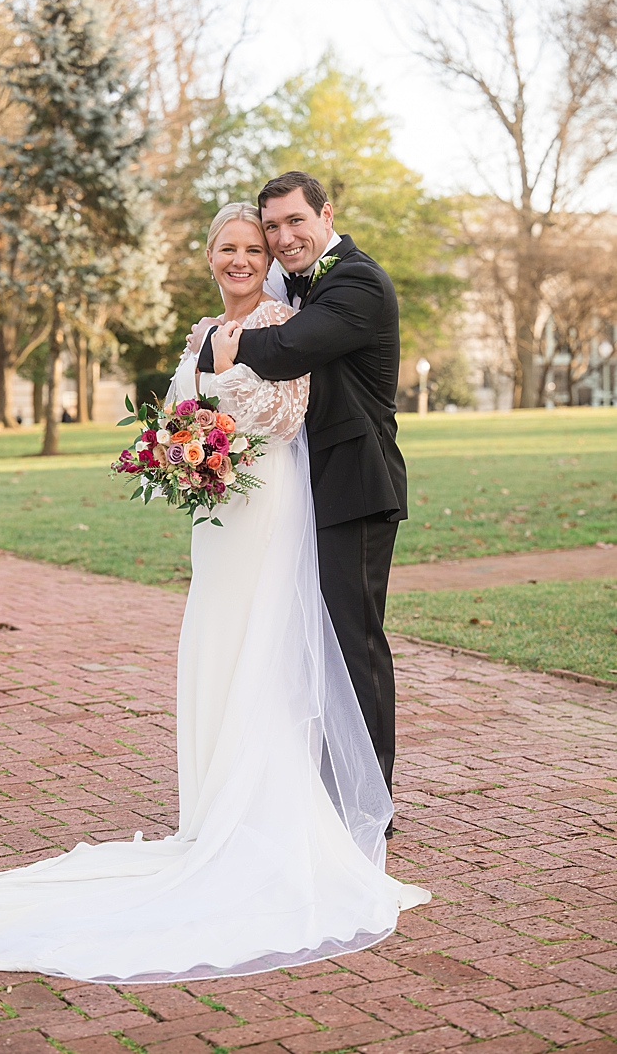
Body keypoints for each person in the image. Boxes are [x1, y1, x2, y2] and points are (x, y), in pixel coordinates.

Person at [0, 203, 428, 984]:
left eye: (253, 247)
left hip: (266, 507)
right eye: (227, 247)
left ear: (271, 257)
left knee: (268, 647)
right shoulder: (201, 333)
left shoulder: (282, 321)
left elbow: (286, 415)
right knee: (215, 645)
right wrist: (176, 451)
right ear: (208, 256)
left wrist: (219, 439)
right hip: (217, 518)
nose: (240, 258)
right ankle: (211, 806)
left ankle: (269, 806)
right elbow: (176, 413)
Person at [193, 171, 408, 798]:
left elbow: (288, 346)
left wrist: (212, 345)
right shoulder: (296, 281)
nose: (284, 238)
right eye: (273, 227)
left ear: (326, 214)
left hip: (357, 484)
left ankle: (367, 803)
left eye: (296, 222)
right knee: (303, 639)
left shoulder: (357, 281)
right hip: (301, 486)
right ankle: (305, 785)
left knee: (353, 642)